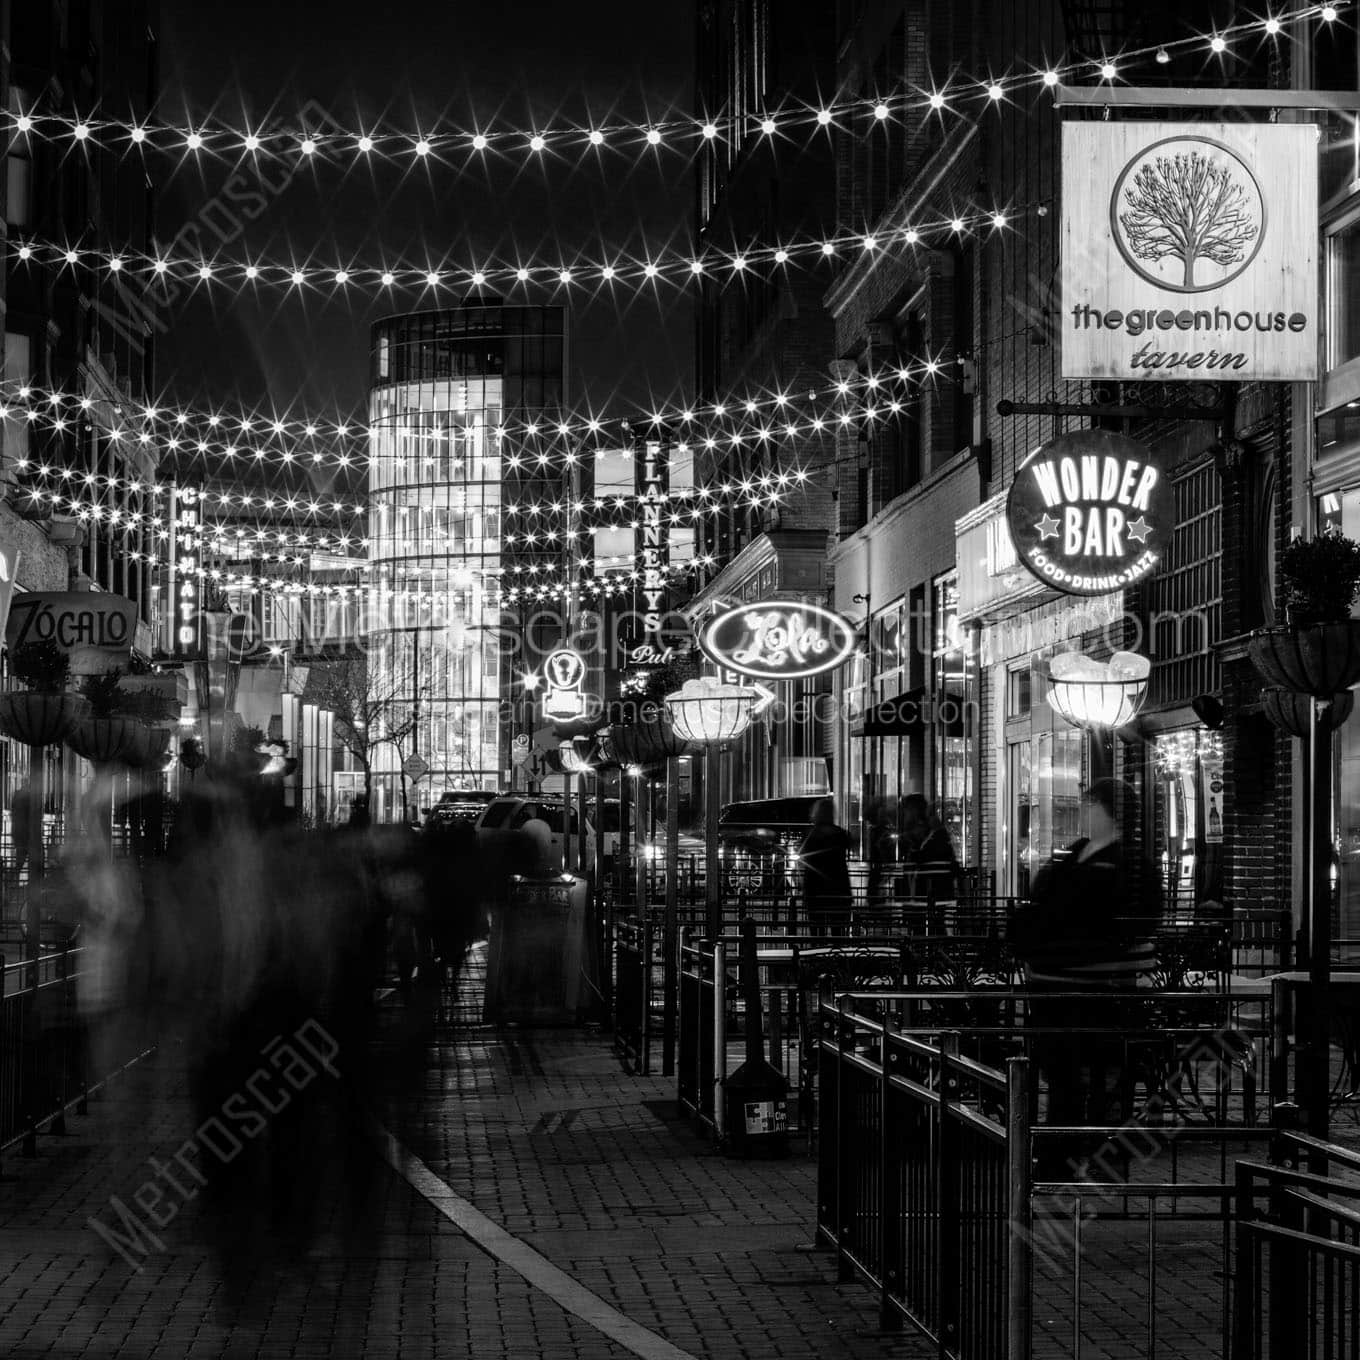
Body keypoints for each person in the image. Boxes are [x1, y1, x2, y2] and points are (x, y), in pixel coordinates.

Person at [1008, 777, 1158, 1177]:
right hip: (1055, 987)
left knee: (1098, 1077)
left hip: (1094, 993)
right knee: (1059, 1076)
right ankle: (1059, 1152)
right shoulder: (1075, 853)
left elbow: (1125, 922)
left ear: (1110, 811)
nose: (1083, 811)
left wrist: (1058, 929)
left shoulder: (1128, 863)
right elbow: (1048, 901)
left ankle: (1095, 1154)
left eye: (1089, 804)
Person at [901, 794, 962, 927]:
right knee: (927, 927)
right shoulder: (925, 833)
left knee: (933, 927)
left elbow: (927, 859)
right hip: (924, 893)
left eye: (907, 810)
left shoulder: (932, 834)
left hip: (932, 893)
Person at [799, 798, 853, 936]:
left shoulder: (811, 833)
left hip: (815, 885)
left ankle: (817, 952)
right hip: (838, 885)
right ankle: (836, 953)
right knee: (838, 928)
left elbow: (802, 856)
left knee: (816, 927)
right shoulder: (840, 834)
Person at [10, 778, 33, 878]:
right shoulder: (28, 796)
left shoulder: (17, 795)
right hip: (26, 832)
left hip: (17, 829)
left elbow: (14, 811)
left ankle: (15, 875)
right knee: (25, 854)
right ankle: (15, 875)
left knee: (21, 854)